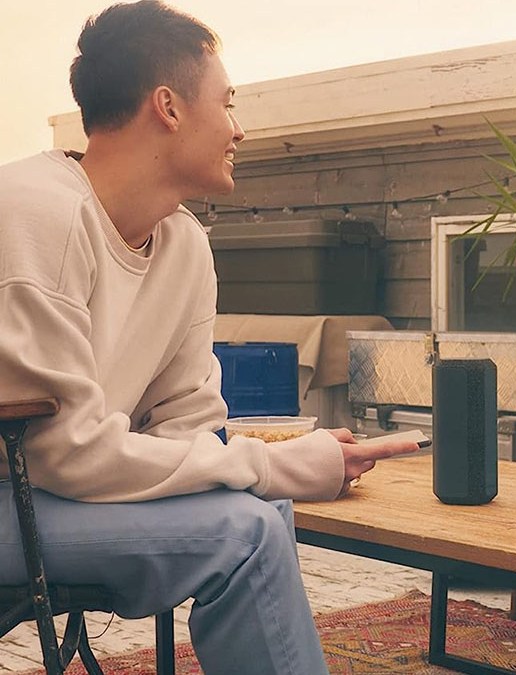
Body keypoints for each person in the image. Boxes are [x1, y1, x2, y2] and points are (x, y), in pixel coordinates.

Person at [0, 3, 416, 673]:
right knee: (247, 527)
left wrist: (270, 467)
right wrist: (268, 463)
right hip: (14, 497)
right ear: (167, 106)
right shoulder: (33, 210)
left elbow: (188, 427)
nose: (239, 129)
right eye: (226, 103)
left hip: (49, 498)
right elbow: (64, 454)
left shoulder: (185, 246)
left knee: (262, 511)